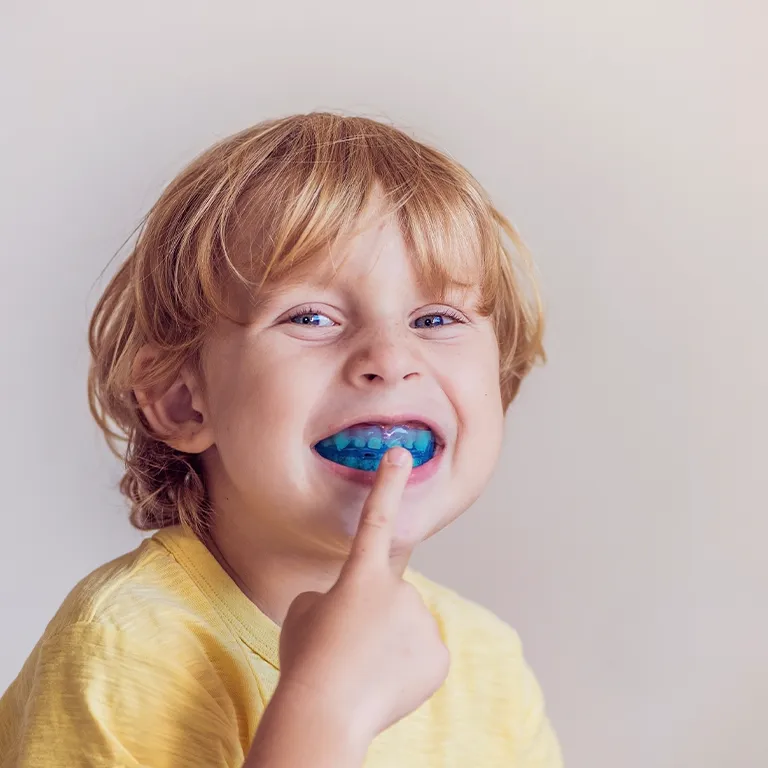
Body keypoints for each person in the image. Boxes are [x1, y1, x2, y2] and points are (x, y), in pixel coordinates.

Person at [0, 112, 563, 767]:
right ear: (184, 400)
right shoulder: (129, 641)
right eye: (311, 317)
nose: (390, 356)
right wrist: (324, 708)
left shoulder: (486, 660)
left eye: (435, 318)